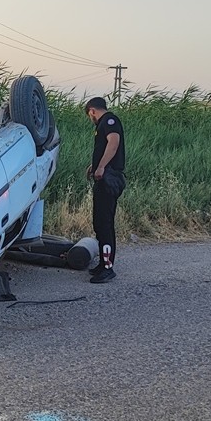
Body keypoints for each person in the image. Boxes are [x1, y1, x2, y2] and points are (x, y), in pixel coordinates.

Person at [84, 97, 126, 283]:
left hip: (109, 178)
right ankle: (103, 263)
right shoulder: (103, 124)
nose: (90, 118)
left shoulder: (109, 121)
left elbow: (113, 143)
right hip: (104, 176)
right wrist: (93, 165)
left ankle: (108, 268)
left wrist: (101, 167)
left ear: (92, 110)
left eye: (89, 115)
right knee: (99, 222)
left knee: (105, 223)